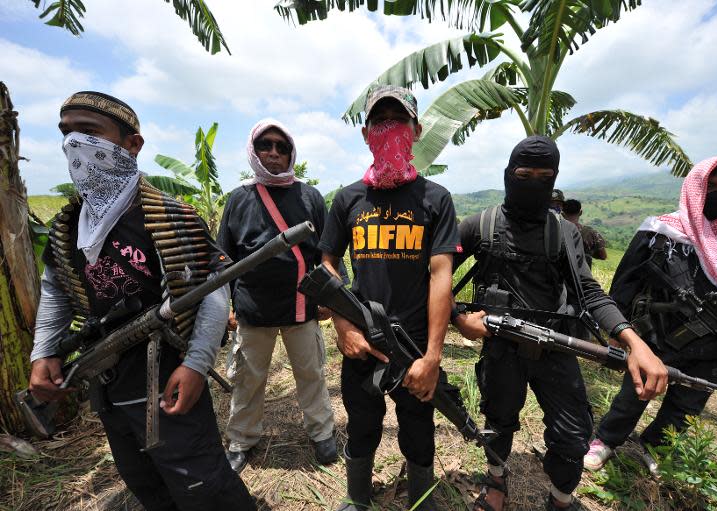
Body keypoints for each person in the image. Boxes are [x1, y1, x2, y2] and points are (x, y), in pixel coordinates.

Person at [27, 91, 253, 510]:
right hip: (108, 383)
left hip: (167, 373)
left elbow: (211, 291)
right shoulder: (70, 223)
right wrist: (43, 352)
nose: (74, 144)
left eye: (89, 132)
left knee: (203, 484)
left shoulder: (171, 215)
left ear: (132, 145)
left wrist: (196, 364)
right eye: (66, 132)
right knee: (144, 482)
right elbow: (56, 288)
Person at [451, 135, 668, 511]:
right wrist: (460, 320)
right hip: (501, 346)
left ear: (554, 179)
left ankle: (561, 498)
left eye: (543, 175)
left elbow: (589, 291)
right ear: (507, 174)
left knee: (572, 436)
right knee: (498, 421)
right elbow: (436, 280)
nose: (532, 182)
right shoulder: (479, 226)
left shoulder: (565, 233)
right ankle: (497, 479)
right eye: (523, 173)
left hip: (555, 345)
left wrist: (634, 341)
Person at [318, 85, 459, 511]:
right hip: (362, 340)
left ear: (416, 130)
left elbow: (441, 276)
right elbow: (327, 265)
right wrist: (343, 326)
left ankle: (422, 500)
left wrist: (432, 357)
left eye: (398, 121)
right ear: (366, 134)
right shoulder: (348, 199)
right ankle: (357, 498)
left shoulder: (435, 199)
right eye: (380, 122)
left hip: (414, 344)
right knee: (362, 424)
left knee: (418, 427)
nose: (389, 130)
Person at [584, 155, 717, 475]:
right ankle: (607, 439)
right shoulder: (662, 231)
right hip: (656, 337)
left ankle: (655, 446)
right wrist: (620, 332)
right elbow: (625, 284)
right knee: (635, 393)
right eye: (711, 187)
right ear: (696, 188)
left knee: (687, 406)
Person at [218, 119, 337, 473]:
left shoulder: (309, 196)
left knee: (311, 373)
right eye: (265, 146)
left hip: (302, 305)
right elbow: (224, 258)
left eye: (281, 147)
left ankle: (322, 432)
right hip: (252, 309)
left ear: (291, 154)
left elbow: (326, 251)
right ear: (253, 152)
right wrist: (227, 307)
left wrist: (331, 296)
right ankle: (241, 440)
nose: (273, 153)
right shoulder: (239, 199)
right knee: (248, 379)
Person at [561, 199, 607, 268]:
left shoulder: (555, 231)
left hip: (558, 276)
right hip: (583, 275)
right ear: (580, 213)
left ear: (563, 214)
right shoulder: (590, 233)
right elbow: (603, 256)